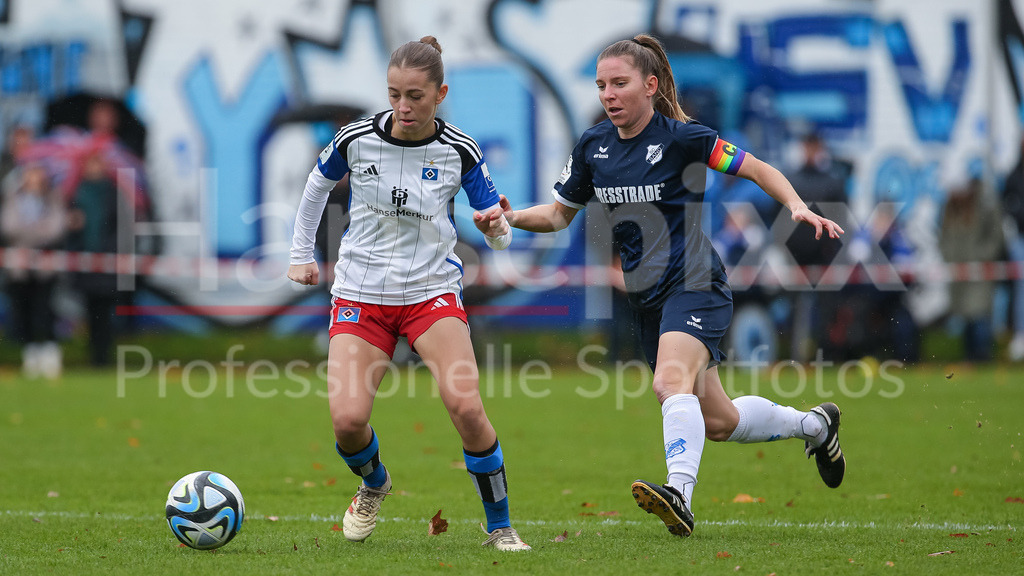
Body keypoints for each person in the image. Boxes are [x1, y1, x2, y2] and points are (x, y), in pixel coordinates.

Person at [481, 34, 846, 538]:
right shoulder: (593, 145)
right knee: (718, 421)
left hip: (696, 282)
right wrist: (511, 216)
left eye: (619, 83)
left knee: (668, 384)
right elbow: (559, 215)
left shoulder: (682, 138)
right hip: (649, 297)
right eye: (601, 85)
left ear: (650, 86)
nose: (608, 94)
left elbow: (755, 167)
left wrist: (796, 205)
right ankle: (815, 426)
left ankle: (680, 495)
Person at [286, 36, 530, 551]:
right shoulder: (356, 139)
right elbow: (315, 187)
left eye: (415, 96)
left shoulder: (460, 150)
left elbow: (501, 231)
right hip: (361, 292)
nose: (403, 106)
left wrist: (494, 228)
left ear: (440, 94)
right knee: (349, 423)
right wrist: (301, 255)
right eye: (394, 93)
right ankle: (374, 482)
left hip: (430, 293)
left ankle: (500, 526)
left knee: (466, 408)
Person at [1, 163, 67, 379]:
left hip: (45, 266)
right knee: (23, 309)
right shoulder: (14, 197)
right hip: (19, 267)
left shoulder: (52, 199)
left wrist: (29, 235)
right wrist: (35, 233)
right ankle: (30, 353)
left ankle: (50, 352)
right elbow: (8, 226)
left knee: (45, 308)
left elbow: (56, 228)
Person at [940, 174, 1003, 361]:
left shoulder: (985, 206)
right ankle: (970, 358)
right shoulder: (950, 208)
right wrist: (951, 258)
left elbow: (996, 238)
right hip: (959, 272)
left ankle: (983, 357)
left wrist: (982, 256)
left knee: (980, 316)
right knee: (966, 318)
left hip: (979, 271)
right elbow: (944, 239)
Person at [66, 152, 121, 366]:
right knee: (90, 313)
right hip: (85, 264)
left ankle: (104, 357)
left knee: (106, 314)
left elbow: (121, 228)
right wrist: (72, 224)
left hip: (107, 264)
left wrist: (109, 253)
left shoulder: (114, 194)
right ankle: (94, 357)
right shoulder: (76, 194)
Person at [1002, 138, 1024, 361]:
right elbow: (1007, 203)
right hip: (1021, 236)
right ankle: (1020, 334)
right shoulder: (1015, 175)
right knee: (1021, 288)